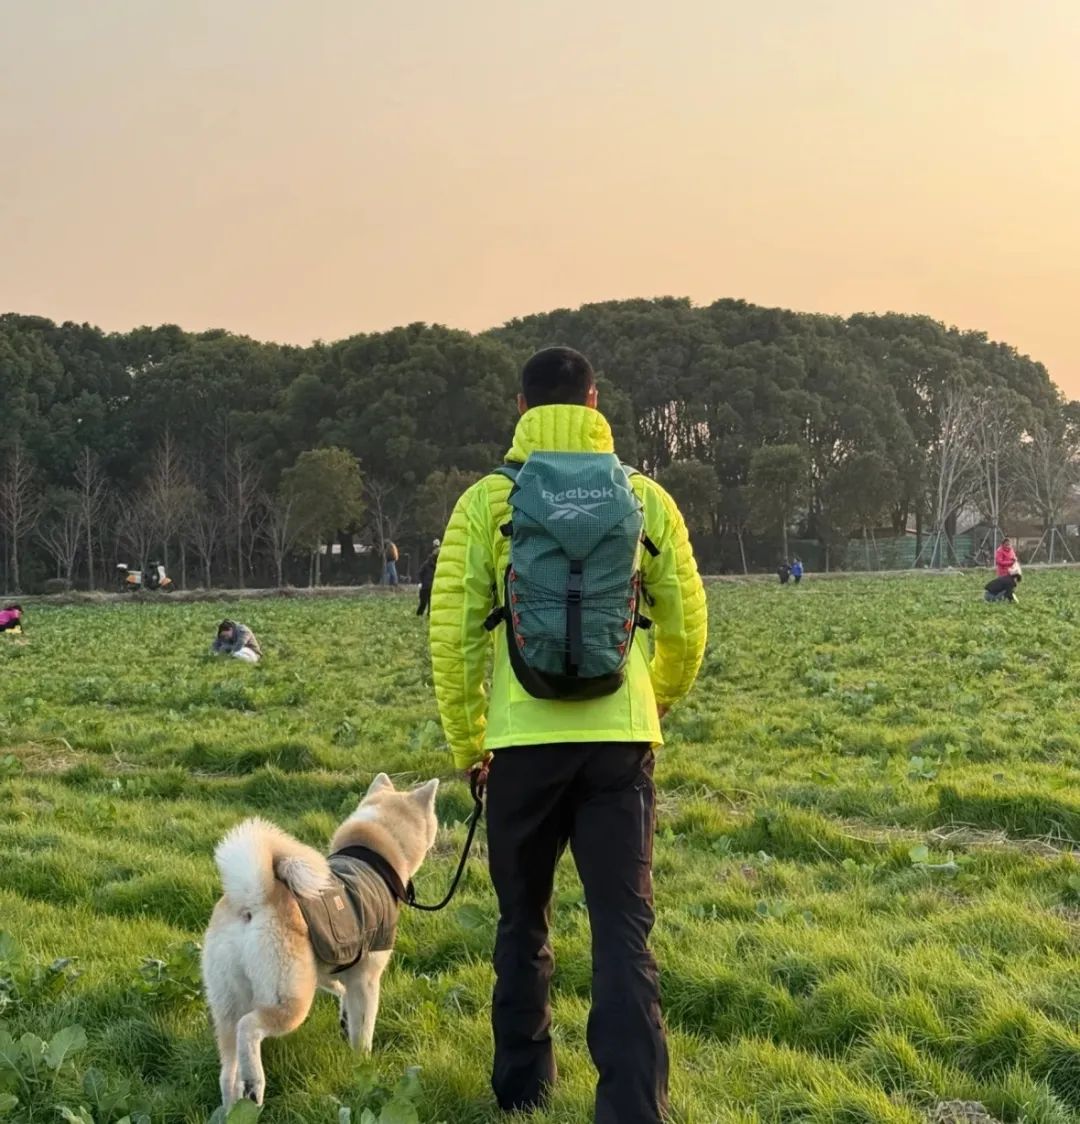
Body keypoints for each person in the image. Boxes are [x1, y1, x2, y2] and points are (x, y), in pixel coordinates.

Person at [430, 346, 707, 1124]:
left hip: (518, 748)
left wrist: (468, 743)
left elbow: (452, 639)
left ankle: (522, 1093)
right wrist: (657, 702)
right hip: (621, 744)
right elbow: (686, 625)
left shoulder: (487, 502)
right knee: (624, 931)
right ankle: (631, 1109)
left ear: (521, 411)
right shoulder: (646, 498)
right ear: (595, 404)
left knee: (523, 922)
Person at [416, 538, 440, 617]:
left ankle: (429, 616)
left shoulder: (438, 567)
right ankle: (419, 614)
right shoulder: (427, 564)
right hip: (425, 586)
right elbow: (420, 573)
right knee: (423, 603)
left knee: (431, 603)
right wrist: (420, 582)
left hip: (433, 586)